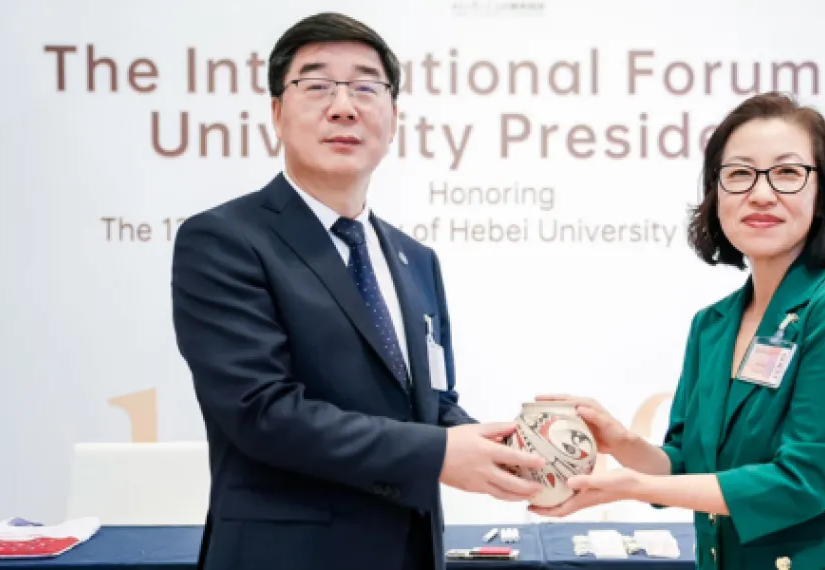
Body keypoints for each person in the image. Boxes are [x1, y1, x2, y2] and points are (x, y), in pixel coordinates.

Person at [170, 12, 545, 570]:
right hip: (285, 556)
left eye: (367, 87)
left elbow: (430, 402)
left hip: (410, 551)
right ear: (276, 112)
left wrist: (503, 452)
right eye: (316, 85)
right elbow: (262, 412)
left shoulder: (415, 260)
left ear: (393, 118)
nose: (343, 106)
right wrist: (440, 454)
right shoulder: (225, 239)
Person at [533, 92, 825, 569]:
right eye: (739, 173)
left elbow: (804, 482)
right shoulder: (712, 324)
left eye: (787, 173)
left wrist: (631, 487)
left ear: (821, 194)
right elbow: (686, 466)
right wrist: (621, 442)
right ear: (716, 195)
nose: (761, 194)